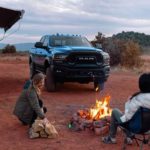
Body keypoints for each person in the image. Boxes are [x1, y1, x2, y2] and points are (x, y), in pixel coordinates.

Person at [102, 73, 150, 144]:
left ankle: (112, 138)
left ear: (140, 85)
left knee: (115, 111)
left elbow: (127, 117)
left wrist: (128, 101)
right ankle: (129, 137)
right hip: (148, 129)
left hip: (136, 128)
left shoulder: (136, 99)